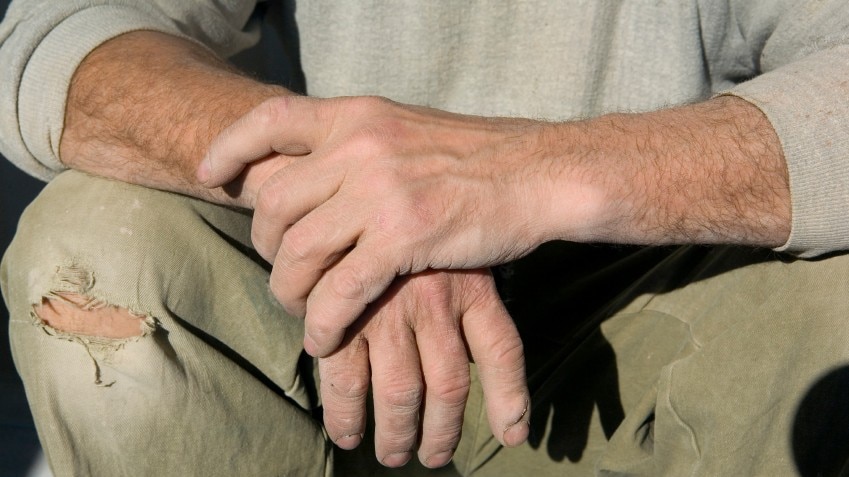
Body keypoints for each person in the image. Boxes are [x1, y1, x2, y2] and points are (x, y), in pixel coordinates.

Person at [1, 1, 848, 475]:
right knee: (93, 244)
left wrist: (516, 179)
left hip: (659, 316)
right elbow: (60, 38)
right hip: (348, 346)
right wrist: (348, 203)